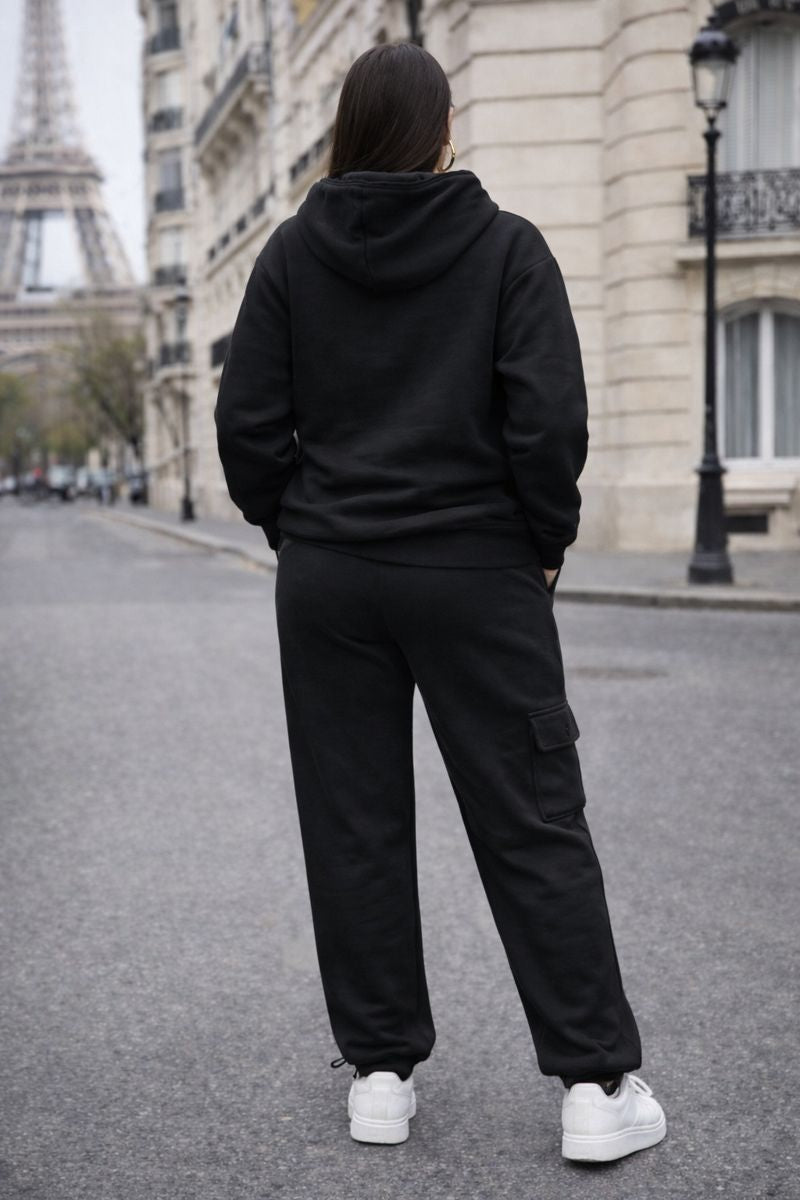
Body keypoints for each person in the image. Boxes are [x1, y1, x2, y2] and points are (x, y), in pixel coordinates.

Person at [214, 40, 666, 1163]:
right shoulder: (506, 249)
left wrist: (299, 527)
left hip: (331, 576)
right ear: (441, 129)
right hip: (476, 572)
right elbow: (547, 420)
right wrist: (541, 546)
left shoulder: (286, 258)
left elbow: (246, 430)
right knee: (529, 820)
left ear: (345, 133)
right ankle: (594, 1090)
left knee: (353, 820)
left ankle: (378, 1076)